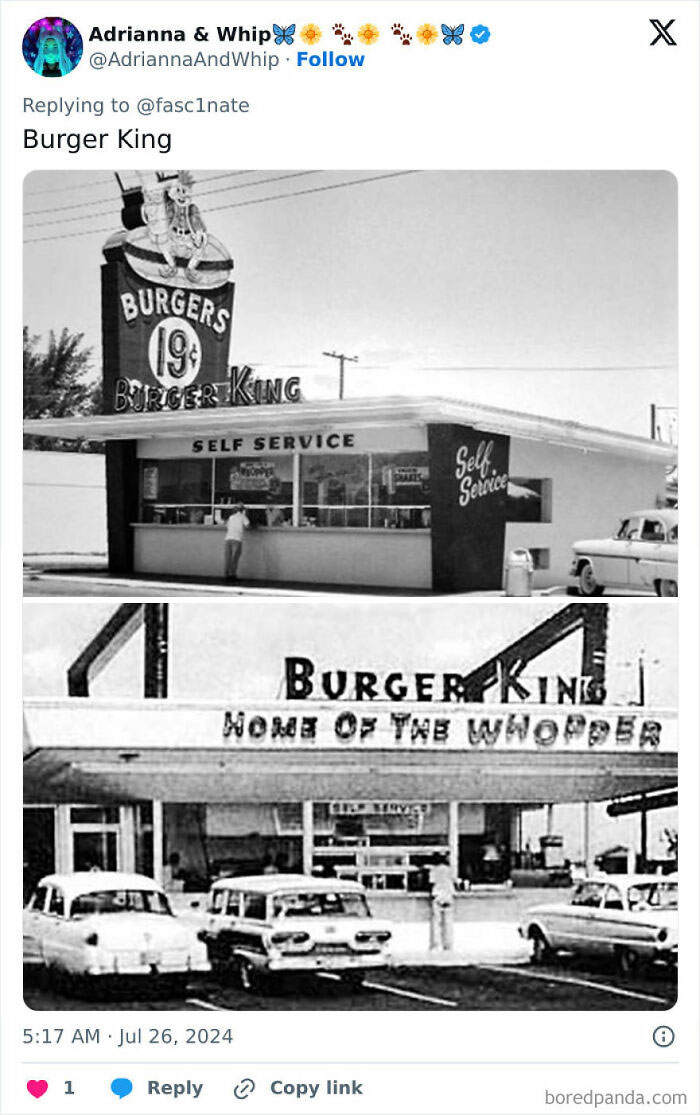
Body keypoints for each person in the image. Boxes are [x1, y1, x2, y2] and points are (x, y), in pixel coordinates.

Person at [428, 852, 455, 950]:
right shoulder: (449, 870)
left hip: (438, 895)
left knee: (436, 922)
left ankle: (436, 945)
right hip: (448, 895)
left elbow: (431, 883)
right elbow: (454, 881)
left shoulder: (434, 870)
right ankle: (448, 945)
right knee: (448, 922)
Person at [224, 503, 249, 581]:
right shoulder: (243, 517)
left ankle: (226, 575)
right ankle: (233, 575)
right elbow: (247, 525)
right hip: (237, 539)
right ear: (243, 510)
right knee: (235, 558)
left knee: (228, 558)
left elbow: (227, 526)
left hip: (228, 538)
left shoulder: (231, 517)